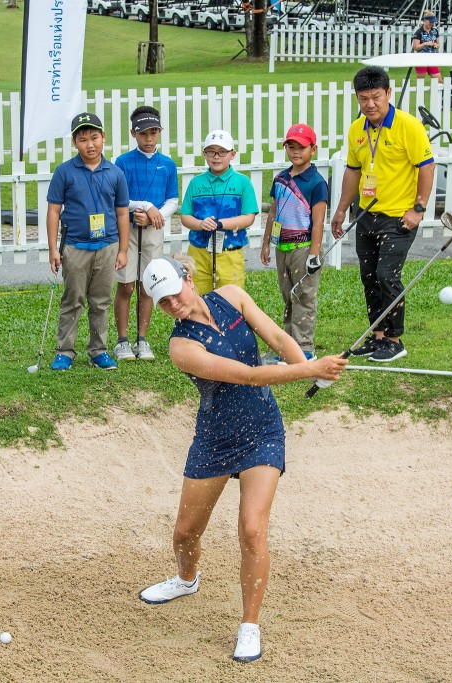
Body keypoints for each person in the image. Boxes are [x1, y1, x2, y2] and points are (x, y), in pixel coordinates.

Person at [136, 255, 347, 664]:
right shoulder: (182, 347)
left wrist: (307, 363)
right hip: (215, 439)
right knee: (184, 534)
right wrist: (308, 372)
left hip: (262, 429)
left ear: (188, 278)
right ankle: (186, 578)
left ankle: (249, 624)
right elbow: (247, 375)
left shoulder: (231, 296)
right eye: (162, 302)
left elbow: (277, 338)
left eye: (174, 293)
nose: (173, 305)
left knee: (252, 530)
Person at [329, 66, 435, 363]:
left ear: (388, 93)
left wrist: (418, 209)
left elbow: (426, 167)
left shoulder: (409, 126)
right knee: (369, 277)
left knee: (387, 275)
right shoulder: (356, 129)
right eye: (364, 98)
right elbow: (353, 171)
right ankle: (377, 338)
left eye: (376, 97)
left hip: (399, 216)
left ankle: (395, 339)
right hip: (366, 214)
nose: (370, 104)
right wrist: (341, 210)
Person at [45, 112, 130, 371]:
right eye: (83, 140)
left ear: (103, 138)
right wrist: (53, 249)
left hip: (107, 246)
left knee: (101, 300)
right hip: (75, 246)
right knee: (73, 299)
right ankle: (64, 351)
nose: (89, 144)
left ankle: (98, 350)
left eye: (94, 138)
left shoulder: (115, 173)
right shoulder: (64, 172)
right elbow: (53, 211)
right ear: (74, 143)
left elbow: (122, 212)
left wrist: (123, 249)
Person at [112, 106, 180, 362]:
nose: (148, 138)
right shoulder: (123, 162)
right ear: (134, 133)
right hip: (128, 229)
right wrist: (143, 207)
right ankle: (122, 340)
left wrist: (156, 214)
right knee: (127, 285)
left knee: (147, 285)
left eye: (153, 132)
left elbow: (172, 199)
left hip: (154, 229)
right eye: (143, 133)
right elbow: (119, 198)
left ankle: (142, 338)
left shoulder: (167, 164)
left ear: (159, 133)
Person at [259, 123, 328, 364]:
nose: (296, 152)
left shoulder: (316, 182)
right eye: (291, 146)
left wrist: (314, 254)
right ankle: (289, 345)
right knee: (288, 295)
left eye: (301, 147)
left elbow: (318, 221)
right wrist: (267, 243)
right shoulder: (281, 179)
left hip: (304, 248)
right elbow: (274, 212)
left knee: (304, 296)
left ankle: (305, 348)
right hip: (283, 247)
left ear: (313, 149)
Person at [179, 130, 258, 294]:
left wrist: (221, 224)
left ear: (232, 154)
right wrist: (200, 224)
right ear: (204, 154)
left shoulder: (243, 182)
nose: (216, 157)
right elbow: (185, 216)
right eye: (211, 152)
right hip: (198, 251)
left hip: (230, 252)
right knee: (198, 298)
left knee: (231, 300)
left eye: (222, 152)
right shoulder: (196, 182)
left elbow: (249, 217)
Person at [412, 11, 444, 86]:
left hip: (431, 59)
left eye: (433, 22)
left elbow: (438, 43)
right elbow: (416, 47)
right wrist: (425, 44)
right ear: (425, 21)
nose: (432, 24)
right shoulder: (419, 32)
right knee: (420, 82)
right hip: (421, 59)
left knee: (439, 81)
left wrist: (436, 45)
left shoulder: (435, 31)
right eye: (430, 22)